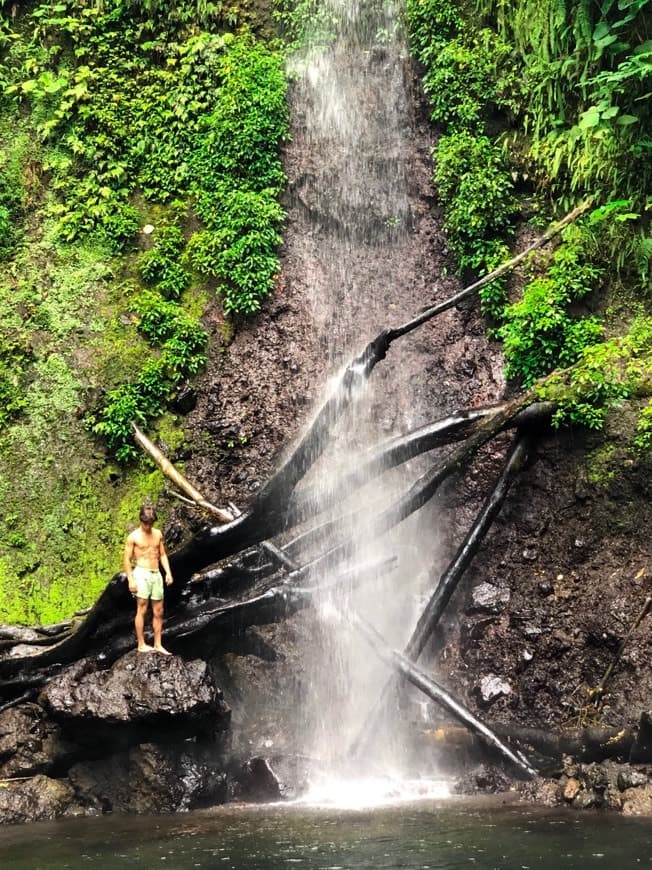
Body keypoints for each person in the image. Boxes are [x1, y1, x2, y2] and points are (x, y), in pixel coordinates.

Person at [123, 504, 173, 654]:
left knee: (159, 611)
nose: (148, 525)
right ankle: (141, 644)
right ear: (141, 520)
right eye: (146, 522)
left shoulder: (158, 534)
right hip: (141, 572)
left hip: (156, 573)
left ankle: (158, 644)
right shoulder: (134, 537)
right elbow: (126, 559)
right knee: (142, 608)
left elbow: (162, 554)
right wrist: (131, 579)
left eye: (150, 523)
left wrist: (168, 573)